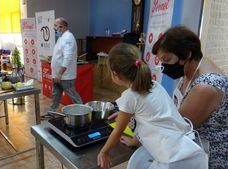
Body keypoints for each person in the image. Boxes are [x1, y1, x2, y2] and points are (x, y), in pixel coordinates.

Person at [97, 43, 207, 169]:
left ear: (115, 74)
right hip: (186, 147)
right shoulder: (154, 85)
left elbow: (118, 130)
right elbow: (152, 120)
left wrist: (104, 152)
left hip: (171, 157)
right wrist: (134, 140)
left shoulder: (129, 97)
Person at [152, 25, 228, 169]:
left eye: (166, 60)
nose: (164, 66)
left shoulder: (206, 86)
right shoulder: (190, 71)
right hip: (193, 148)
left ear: (187, 54)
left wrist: (140, 125)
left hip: (210, 159)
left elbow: (176, 128)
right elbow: (175, 108)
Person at [48, 17, 82, 111]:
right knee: (55, 96)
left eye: (55, 26)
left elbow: (67, 58)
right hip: (57, 75)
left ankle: (84, 113)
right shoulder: (61, 37)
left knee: (73, 96)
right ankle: (51, 113)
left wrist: (59, 74)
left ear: (62, 27)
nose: (54, 28)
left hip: (65, 76)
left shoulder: (68, 38)